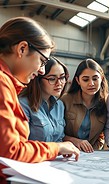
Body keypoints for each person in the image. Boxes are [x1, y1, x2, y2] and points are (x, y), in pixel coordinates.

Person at [0, 17, 80, 182]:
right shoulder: (2, 83)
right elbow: (10, 152)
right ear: (22, 49)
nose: (42, 70)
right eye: (42, 61)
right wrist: (56, 148)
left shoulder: (9, 85)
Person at [61, 59, 109, 153]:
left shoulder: (107, 103)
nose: (91, 83)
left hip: (92, 156)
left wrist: (95, 147)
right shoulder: (65, 100)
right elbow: (56, 133)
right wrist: (75, 141)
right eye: (85, 79)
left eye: (95, 78)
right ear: (78, 80)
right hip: (67, 153)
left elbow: (107, 131)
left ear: (102, 78)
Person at [19, 56, 69, 142]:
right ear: (38, 80)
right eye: (52, 79)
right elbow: (20, 144)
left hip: (56, 155)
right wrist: (57, 148)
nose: (59, 83)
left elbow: (59, 138)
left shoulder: (60, 105)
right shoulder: (23, 104)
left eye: (62, 77)